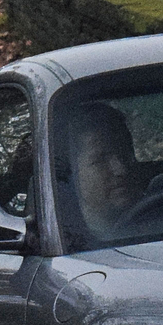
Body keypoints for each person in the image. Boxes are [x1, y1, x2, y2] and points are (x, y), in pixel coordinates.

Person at [62, 102, 145, 237]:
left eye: (124, 154)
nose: (120, 169)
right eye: (100, 160)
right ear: (71, 172)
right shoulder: (67, 239)